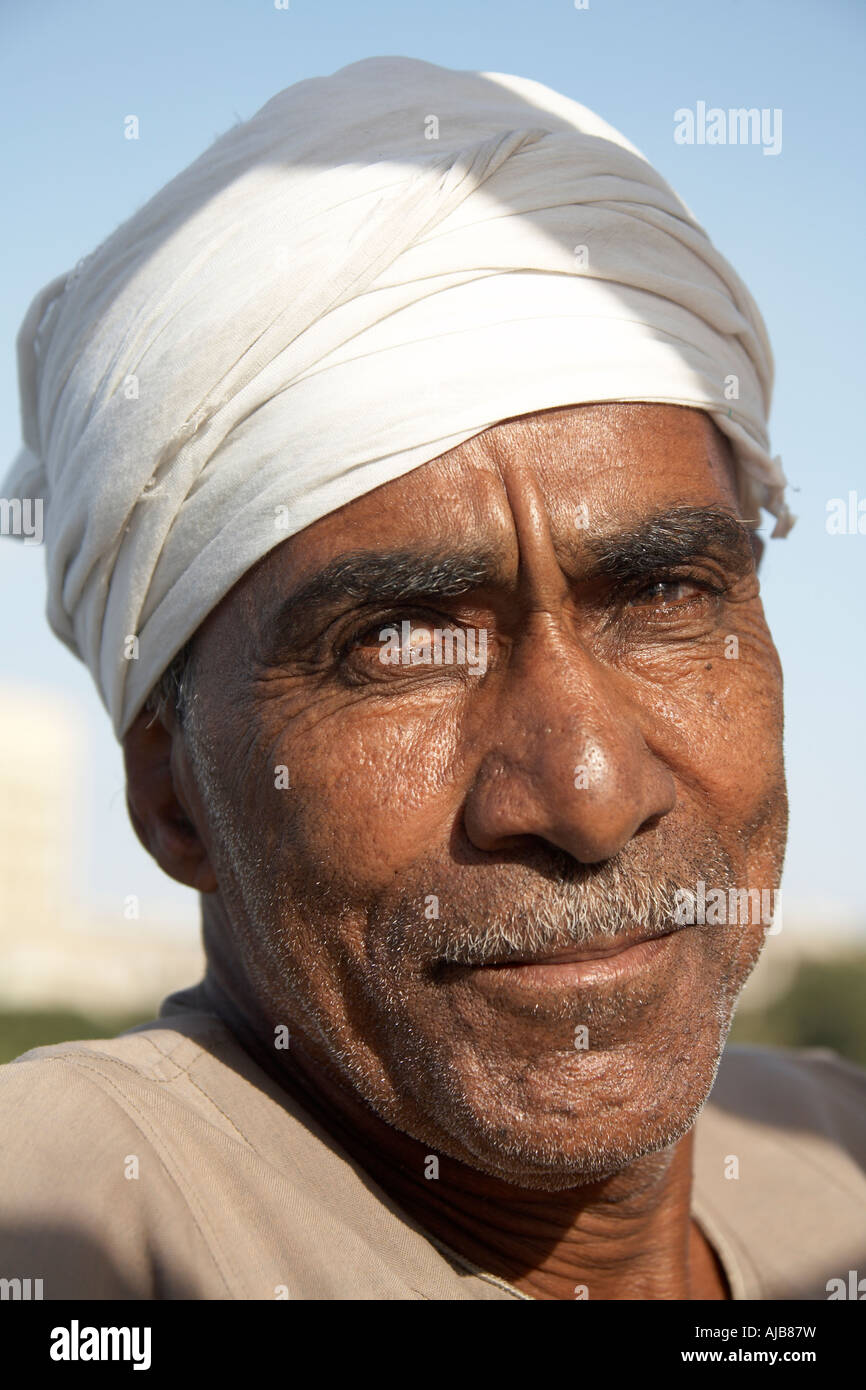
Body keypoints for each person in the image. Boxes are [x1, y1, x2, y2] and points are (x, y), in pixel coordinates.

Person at [1, 56, 863, 1302]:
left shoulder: (827, 1149)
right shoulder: (76, 1214)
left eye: (665, 596)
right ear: (171, 788)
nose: (585, 793)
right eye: (399, 642)